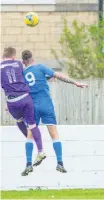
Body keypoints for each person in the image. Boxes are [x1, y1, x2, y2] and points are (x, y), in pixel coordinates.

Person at [22, 50, 88, 173]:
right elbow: (58, 76)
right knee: (54, 134)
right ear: (32, 59)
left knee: (30, 135)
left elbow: (22, 89)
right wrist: (76, 83)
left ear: (23, 62)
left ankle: (28, 164)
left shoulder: (23, 73)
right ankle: (60, 163)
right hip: (46, 104)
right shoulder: (40, 67)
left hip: (32, 107)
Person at [1, 47, 45, 176]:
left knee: (19, 120)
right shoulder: (19, 64)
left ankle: (29, 140)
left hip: (12, 101)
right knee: (32, 125)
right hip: (26, 98)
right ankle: (41, 150)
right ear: (14, 56)